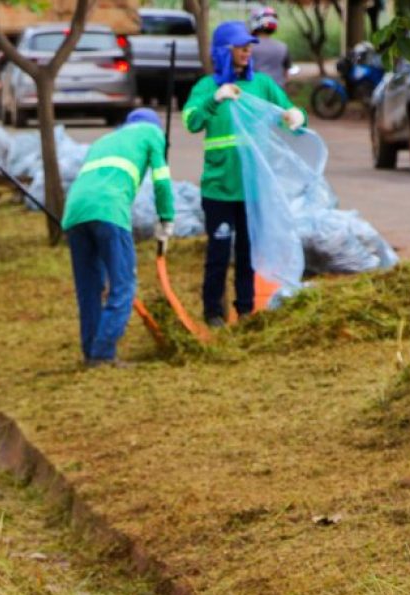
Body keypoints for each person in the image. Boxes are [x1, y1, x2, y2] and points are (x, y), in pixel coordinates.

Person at [183, 20, 306, 327]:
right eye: (240, 47)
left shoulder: (262, 85)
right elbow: (191, 121)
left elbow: (289, 113)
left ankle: (247, 311)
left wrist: (295, 116)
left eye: (249, 47)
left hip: (253, 190)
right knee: (218, 255)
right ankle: (213, 314)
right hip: (219, 189)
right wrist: (216, 98)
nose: (247, 52)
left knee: (248, 254)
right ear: (224, 51)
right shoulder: (206, 87)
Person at [61, 108, 175, 366]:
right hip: (109, 210)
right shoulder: (153, 134)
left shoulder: (105, 140)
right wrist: (166, 217)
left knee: (89, 288)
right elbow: (161, 179)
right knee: (123, 284)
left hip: (74, 213)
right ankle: (103, 353)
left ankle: (91, 351)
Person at [247, 6, 290, 87]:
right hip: (277, 91)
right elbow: (286, 75)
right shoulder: (283, 47)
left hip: (254, 92)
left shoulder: (247, 46)